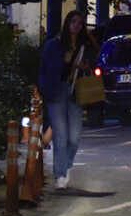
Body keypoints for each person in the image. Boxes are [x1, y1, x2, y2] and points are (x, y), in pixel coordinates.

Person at [37, 12, 94, 191]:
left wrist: (84, 67)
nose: (76, 25)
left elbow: (95, 63)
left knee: (74, 137)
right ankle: (60, 174)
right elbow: (45, 68)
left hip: (76, 91)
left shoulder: (85, 46)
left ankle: (66, 165)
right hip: (57, 90)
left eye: (80, 22)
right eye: (73, 21)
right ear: (67, 23)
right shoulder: (54, 45)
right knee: (60, 136)